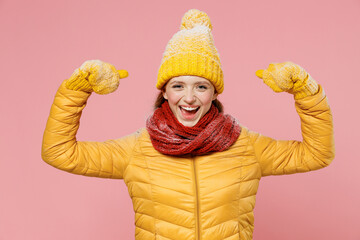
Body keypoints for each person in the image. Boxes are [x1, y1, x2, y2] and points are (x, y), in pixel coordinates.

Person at [42, 9, 335, 240]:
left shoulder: (246, 145)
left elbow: (317, 153)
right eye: (179, 86)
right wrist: (77, 89)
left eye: (202, 87)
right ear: (165, 92)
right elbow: (58, 152)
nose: (190, 98)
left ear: (215, 93)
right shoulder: (136, 149)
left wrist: (305, 91)